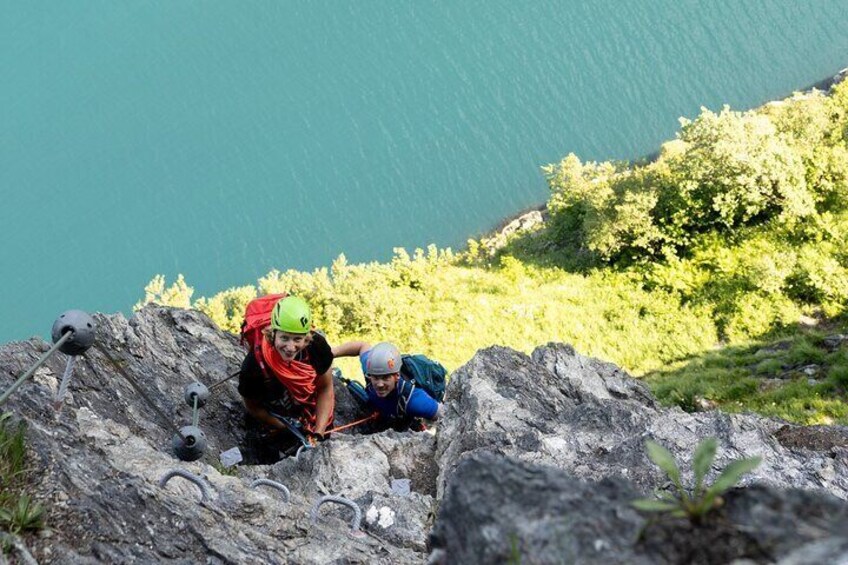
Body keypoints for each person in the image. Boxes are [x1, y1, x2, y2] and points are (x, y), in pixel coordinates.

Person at [237, 296, 334, 459]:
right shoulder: (254, 366)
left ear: (307, 337)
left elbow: (325, 389)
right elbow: (253, 407)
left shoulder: (316, 347)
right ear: (272, 334)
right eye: (284, 338)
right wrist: (283, 426)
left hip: (308, 412)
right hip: (276, 417)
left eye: (297, 339)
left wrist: (318, 434)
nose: (290, 347)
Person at [332, 340, 444, 431]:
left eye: (386, 378)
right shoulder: (373, 367)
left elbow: (445, 414)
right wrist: (330, 353)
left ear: (397, 376)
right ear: (370, 374)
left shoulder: (414, 400)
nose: (380, 384)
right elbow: (362, 345)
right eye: (375, 378)